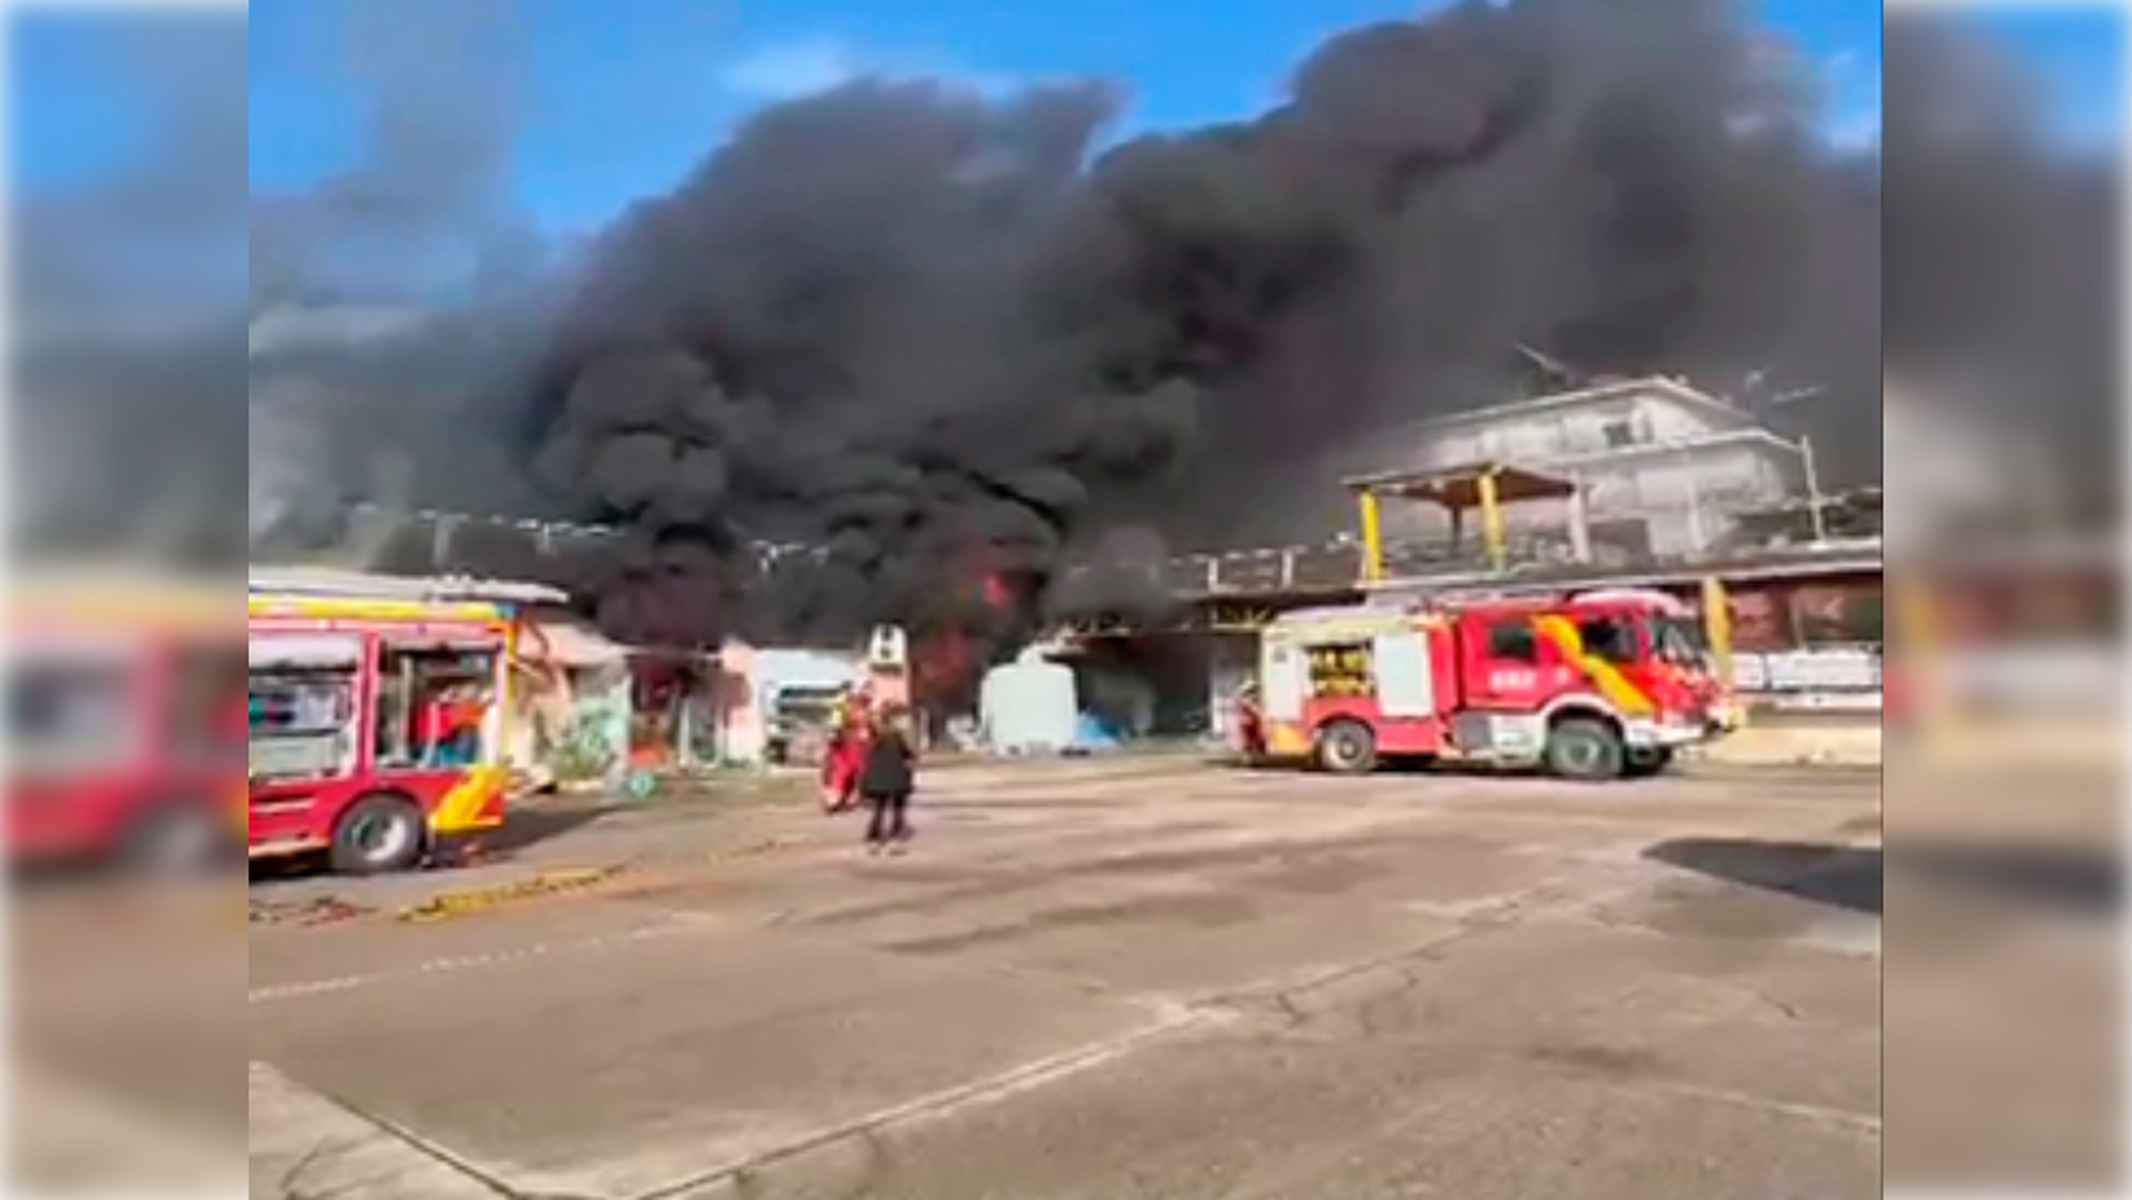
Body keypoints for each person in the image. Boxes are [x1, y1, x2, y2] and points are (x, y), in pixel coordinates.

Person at [859, 703, 916, 854]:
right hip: (897, 779)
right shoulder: (896, 735)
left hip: (877, 780)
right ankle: (895, 839)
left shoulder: (873, 737)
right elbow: (908, 754)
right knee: (898, 809)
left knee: (878, 809)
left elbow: (865, 758)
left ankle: (874, 839)